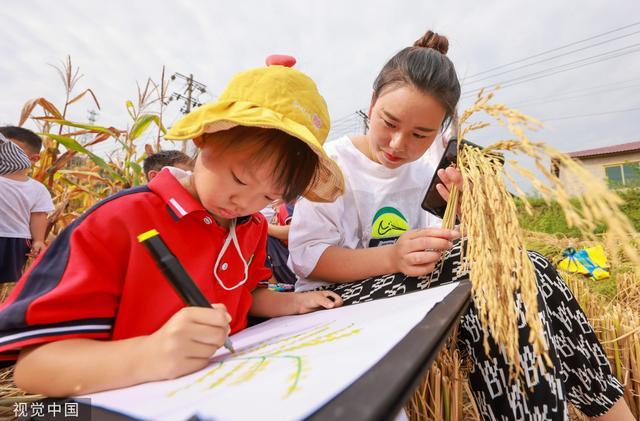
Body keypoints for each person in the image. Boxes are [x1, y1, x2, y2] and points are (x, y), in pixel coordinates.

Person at [288, 31, 633, 420]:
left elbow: (455, 243)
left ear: (442, 130)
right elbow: (308, 258)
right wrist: (393, 256)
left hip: (412, 292)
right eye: (388, 123)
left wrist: (467, 209)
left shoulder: (434, 164)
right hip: (332, 303)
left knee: (531, 266)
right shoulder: (331, 163)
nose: (398, 143)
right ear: (371, 103)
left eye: (421, 134)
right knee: (487, 266)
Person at [0, 59, 344, 396]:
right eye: (239, 178)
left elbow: (246, 296)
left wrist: (296, 303)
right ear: (206, 138)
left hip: (225, 392)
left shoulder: (250, 227)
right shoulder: (121, 220)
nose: (245, 203)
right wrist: (151, 354)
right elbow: (35, 369)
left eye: (269, 196)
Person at [0, 127, 54, 284]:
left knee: (7, 281)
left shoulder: (37, 188)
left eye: (10, 150)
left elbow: (38, 215)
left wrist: (38, 240)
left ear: (33, 158)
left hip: (15, 240)